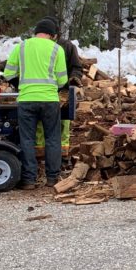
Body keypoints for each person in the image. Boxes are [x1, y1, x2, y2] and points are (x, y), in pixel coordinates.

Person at [1, 18, 68, 190]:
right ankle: (52, 178)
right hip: (50, 100)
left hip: (26, 99)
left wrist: (20, 85)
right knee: (52, 139)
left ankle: (29, 180)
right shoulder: (57, 49)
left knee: (27, 140)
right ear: (53, 35)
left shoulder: (21, 47)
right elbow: (62, 80)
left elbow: (8, 73)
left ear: (36, 32)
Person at [34, 16, 82, 166]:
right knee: (40, 124)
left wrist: (74, 77)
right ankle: (40, 155)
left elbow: (76, 67)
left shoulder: (67, 46)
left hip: (62, 92)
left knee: (62, 123)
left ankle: (62, 156)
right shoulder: (36, 45)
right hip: (42, 90)